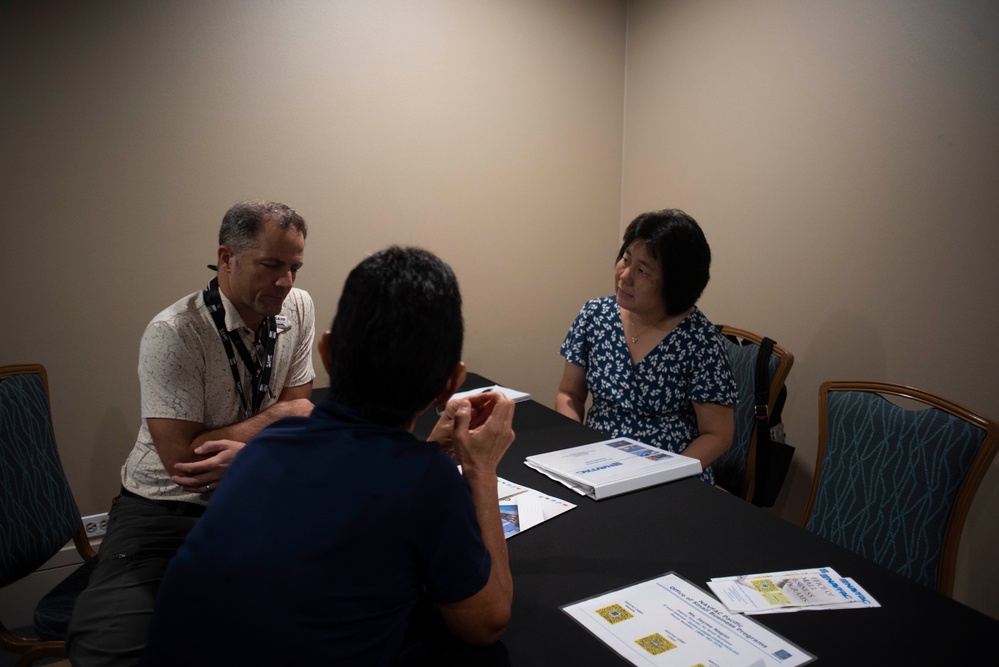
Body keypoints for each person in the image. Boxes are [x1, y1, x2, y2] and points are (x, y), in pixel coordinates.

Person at [139, 246, 515, 666]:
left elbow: (361, 492)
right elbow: (486, 623)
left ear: (328, 355)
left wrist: (430, 452)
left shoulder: (268, 445)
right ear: (452, 384)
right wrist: (481, 471)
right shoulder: (430, 483)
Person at [67, 200, 317, 665]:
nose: (286, 282)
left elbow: (301, 413)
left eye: (294, 267)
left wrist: (251, 449)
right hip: (165, 508)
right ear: (227, 258)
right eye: (271, 266)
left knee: (322, 608)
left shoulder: (297, 307)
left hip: (254, 487)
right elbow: (186, 462)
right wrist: (276, 418)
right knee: (108, 646)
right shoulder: (174, 333)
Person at [555, 208, 736, 484]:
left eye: (642, 271)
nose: (624, 276)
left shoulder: (700, 340)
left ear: (674, 284)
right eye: (625, 260)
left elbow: (717, 435)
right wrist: (575, 449)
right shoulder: (595, 315)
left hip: (669, 477)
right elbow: (569, 394)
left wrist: (661, 475)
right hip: (594, 466)